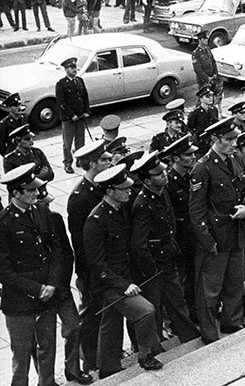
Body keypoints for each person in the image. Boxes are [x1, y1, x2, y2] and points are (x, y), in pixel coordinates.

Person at [84, 164, 164, 377]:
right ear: (110, 191)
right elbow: (97, 264)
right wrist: (123, 285)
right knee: (145, 311)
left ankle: (107, 367)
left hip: (126, 276)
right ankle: (145, 355)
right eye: (123, 188)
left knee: (110, 321)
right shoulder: (96, 221)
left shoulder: (121, 210)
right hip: (110, 283)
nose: (129, 191)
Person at [189, 117, 245, 343]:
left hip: (237, 233)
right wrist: (208, 241)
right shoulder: (202, 167)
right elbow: (196, 210)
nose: (234, 144)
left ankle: (231, 321)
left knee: (234, 283)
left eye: (235, 139)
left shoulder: (236, 158)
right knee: (210, 291)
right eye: (229, 139)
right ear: (216, 139)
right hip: (217, 238)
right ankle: (209, 333)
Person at [0, 164, 63, 386]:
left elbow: (56, 249)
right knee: (22, 353)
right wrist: (37, 290)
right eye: (31, 190)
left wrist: (53, 284)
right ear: (16, 193)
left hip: (47, 294)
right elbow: (4, 272)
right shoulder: (4, 222)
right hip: (20, 301)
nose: (37, 193)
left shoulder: (41, 212)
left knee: (47, 348)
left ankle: (48, 383)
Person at [130, 152, 200, 343]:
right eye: (158, 174)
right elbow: (139, 244)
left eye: (163, 171)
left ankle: (188, 335)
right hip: (155, 265)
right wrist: (151, 268)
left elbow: (171, 223)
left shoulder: (162, 193)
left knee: (177, 300)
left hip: (168, 259)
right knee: (155, 306)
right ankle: (154, 345)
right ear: (146, 181)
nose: (164, 175)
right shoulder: (143, 204)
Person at [37, 185, 94, 385]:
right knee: (45, 341)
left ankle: (73, 370)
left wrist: (60, 282)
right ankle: (46, 380)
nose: (47, 207)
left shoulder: (54, 219)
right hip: (39, 293)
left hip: (60, 288)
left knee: (73, 327)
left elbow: (66, 253)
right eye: (42, 203)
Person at [67, 140, 112, 375]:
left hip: (107, 263)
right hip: (91, 270)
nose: (109, 161)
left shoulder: (104, 187)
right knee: (92, 316)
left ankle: (104, 353)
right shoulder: (80, 197)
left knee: (107, 313)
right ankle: (90, 359)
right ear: (93, 164)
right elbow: (80, 242)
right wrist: (86, 275)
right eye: (104, 159)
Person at [160, 136, 199, 313]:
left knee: (193, 276)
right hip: (180, 239)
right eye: (188, 155)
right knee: (180, 280)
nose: (193, 157)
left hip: (194, 235)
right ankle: (176, 318)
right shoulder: (168, 182)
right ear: (176, 158)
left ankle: (192, 310)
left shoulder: (192, 175)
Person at [56, 57, 90, 174]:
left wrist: (86, 111)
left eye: (75, 67)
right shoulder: (61, 84)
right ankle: (67, 163)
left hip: (80, 117)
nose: (74, 70)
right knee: (67, 143)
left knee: (80, 141)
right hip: (69, 119)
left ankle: (80, 159)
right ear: (66, 70)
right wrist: (71, 115)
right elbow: (61, 103)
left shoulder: (79, 80)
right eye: (71, 68)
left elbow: (85, 96)